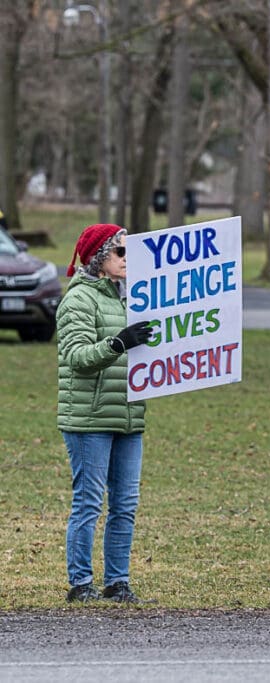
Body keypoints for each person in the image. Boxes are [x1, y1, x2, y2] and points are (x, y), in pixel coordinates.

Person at [58, 223, 155, 603]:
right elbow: (77, 358)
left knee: (126, 505)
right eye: (120, 252)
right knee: (89, 503)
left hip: (128, 415)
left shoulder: (133, 298)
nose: (128, 259)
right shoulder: (79, 299)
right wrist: (118, 342)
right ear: (100, 259)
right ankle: (81, 583)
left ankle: (118, 582)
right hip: (89, 418)